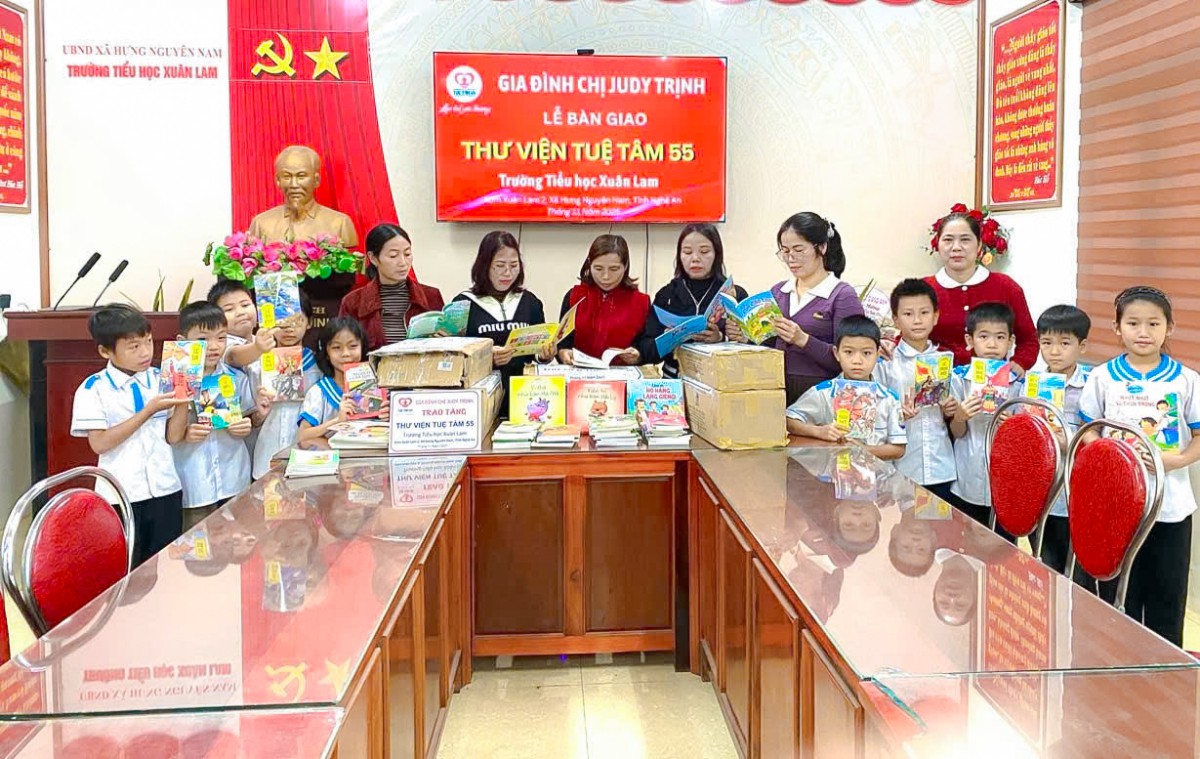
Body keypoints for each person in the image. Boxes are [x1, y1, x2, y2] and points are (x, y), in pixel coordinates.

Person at [1078, 286, 1200, 646]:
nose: (1143, 332)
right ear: (1117, 328)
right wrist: (1107, 454)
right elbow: (1088, 430)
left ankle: (1166, 669)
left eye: (1153, 324)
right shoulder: (1102, 377)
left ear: (1169, 328)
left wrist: (1177, 460)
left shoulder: (1187, 380)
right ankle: (1118, 666)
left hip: (1170, 507)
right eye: (1133, 323)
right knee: (1117, 595)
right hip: (1114, 505)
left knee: (1167, 596)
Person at [71, 305, 190, 566]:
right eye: (134, 347)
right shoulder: (94, 389)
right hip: (122, 495)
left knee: (167, 566)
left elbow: (173, 437)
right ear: (105, 351)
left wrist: (183, 402)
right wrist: (148, 411)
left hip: (166, 488)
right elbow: (100, 443)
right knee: (128, 569)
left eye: (148, 341)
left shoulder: (162, 378)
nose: (145, 352)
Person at [167, 302, 267, 531]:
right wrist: (186, 432)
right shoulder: (172, 379)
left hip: (234, 479)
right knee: (197, 541)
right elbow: (171, 436)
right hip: (194, 483)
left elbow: (250, 419)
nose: (214, 347)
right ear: (183, 340)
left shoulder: (236, 377)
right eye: (203, 339)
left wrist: (248, 423)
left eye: (221, 338)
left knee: (236, 538)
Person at [1015, 305, 1090, 574]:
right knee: (1045, 564)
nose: (1054, 351)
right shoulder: (1031, 383)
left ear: (1082, 346)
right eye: (1047, 343)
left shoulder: (1092, 384)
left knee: (1079, 571)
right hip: (1041, 491)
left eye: (1064, 343)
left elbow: (1100, 438)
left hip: (1077, 493)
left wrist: (1069, 441)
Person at [874, 279, 959, 502]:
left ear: (936, 316)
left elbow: (956, 417)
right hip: (902, 466)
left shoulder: (945, 361)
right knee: (906, 522)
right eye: (908, 314)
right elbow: (874, 412)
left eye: (924, 312)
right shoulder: (885, 362)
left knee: (940, 523)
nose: (918, 320)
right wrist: (897, 414)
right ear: (895, 319)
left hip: (941, 466)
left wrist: (951, 410)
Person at [769, 212, 864, 403]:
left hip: (822, 400)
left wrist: (802, 339)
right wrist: (745, 336)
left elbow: (853, 358)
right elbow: (769, 346)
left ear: (822, 247)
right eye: (785, 251)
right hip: (775, 393)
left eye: (799, 250)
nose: (791, 258)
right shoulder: (779, 292)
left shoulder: (842, 295)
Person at [925, 211, 1037, 370]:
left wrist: (1020, 363)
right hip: (937, 378)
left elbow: (1029, 339)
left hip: (992, 379)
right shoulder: (924, 289)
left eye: (965, 240)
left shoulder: (1006, 286)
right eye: (948, 240)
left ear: (979, 245)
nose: (956, 248)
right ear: (938, 244)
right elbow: (909, 336)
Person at [785, 315, 906, 461]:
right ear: (836, 353)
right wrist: (819, 431)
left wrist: (862, 451)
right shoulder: (823, 393)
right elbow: (788, 420)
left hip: (877, 474)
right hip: (833, 472)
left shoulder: (889, 398)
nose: (857, 361)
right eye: (848, 352)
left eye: (866, 353)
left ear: (878, 354)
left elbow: (898, 449)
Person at [637, 224, 748, 377]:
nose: (695, 259)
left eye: (704, 251)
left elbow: (752, 348)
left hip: (720, 382)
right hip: (674, 380)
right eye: (687, 252)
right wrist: (667, 339)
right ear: (679, 256)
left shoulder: (733, 294)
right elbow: (645, 351)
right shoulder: (667, 295)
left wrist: (722, 338)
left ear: (717, 254)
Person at [948, 302, 1020, 531]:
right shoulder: (959, 379)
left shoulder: (1020, 384)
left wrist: (1014, 426)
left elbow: (1026, 441)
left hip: (1005, 483)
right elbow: (957, 432)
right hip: (966, 476)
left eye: (1000, 337)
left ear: (1010, 341)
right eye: (983, 336)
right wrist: (960, 416)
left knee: (1003, 543)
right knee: (965, 537)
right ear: (970, 340)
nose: (992, 344)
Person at [452, 231, 553, 387]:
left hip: (523, 391)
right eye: (499, 266)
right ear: (484, 266)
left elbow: (536, 354)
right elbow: (453, 359)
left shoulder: (530, 302)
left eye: (514, 265)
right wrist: (486, 357)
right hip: (481, 391)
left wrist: (545, 355)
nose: (507, 272)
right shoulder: (462, 304)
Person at [247, 291, 322, 478]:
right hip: (266, 457)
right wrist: (259, 414)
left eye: (297, 320)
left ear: (309, 322)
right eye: (282, 321)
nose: (289, 328)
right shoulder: (257, 365)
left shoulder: (319, 367)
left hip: (308, 460)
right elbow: (252, 420)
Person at [339, 224, 444, 351]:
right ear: (373, 258)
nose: (403, 263)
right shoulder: (353, 302)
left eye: (407, 254)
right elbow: (346, 350)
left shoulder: (431, 296)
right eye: (393, 256)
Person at [557, 234, 649, 366]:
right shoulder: (574, 296)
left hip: (622, 375)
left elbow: (645, 346)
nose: (606, 276)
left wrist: (638, 355)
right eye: (598, 269)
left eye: (614, 269)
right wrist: (563, 353)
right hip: (579, 374)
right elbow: (562, 343)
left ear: (625, 266)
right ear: (589, 265)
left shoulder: (641, 302)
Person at [297, 317, 388, 444]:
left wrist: (388, 418)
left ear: (362, 347)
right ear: (326, 353)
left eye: (353, 346)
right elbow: (303, 436)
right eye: (336, 347)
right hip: (331, 455)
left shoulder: (378, 386)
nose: (346, 353)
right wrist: (337, 421)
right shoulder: (319, 392)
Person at [208, 279, 276, 370]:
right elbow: (234, 357)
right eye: (229, 309)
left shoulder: (259, 339)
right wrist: (257, 348)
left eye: (245, 305)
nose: (240, 313)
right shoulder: (223, 343)